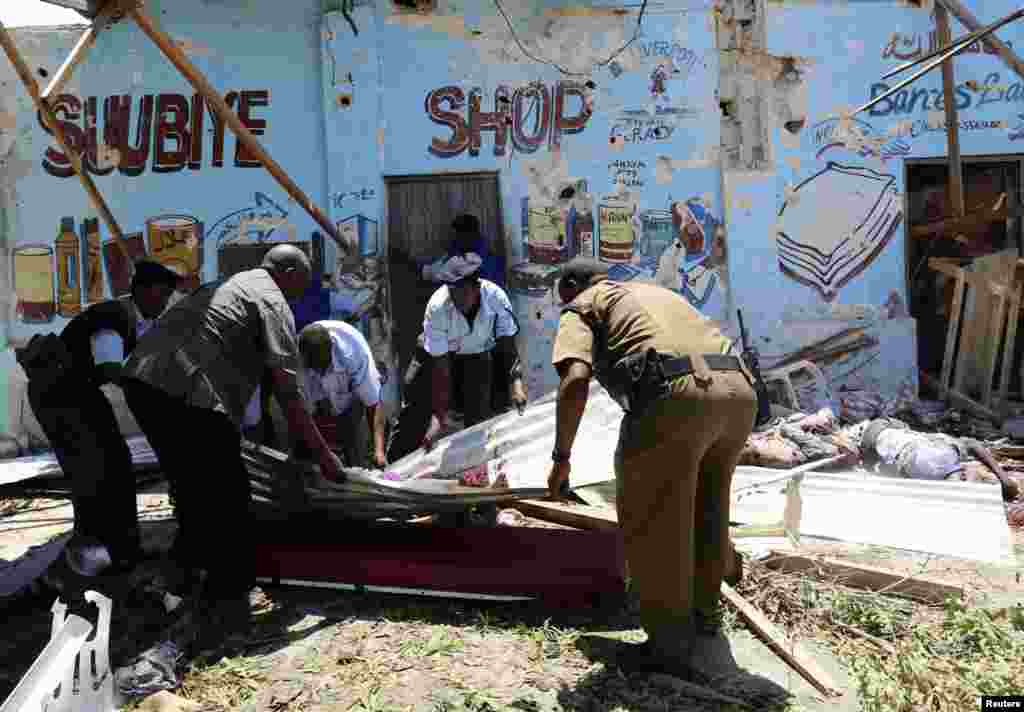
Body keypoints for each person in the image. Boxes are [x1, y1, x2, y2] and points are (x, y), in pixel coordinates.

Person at [120, 245, 343, 647]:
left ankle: (175, 583)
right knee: (232, 497)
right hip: (188, 391)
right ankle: (230, 602)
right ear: (288, 271)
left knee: (192, 491)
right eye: (304, 279)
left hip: (144, 382)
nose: (304, 289)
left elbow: (271, 390)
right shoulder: (271, 300)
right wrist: (325, 457)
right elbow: (289, 393)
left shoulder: (230, 285)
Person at [547, 257, 758, 679]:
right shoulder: (658, 292)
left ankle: (670, 649)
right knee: (707, 512)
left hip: (676, 397)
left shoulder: (584, 304)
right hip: (739, 395)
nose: (562, 305)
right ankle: (706, 620)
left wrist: (561, 459)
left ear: (570, 286)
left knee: (654, 521)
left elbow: (574, 380)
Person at [16, 260, 182, 575]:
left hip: (72, 394)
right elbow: (110, 368)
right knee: (97, 468)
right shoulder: (114, 317)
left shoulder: (126, 316)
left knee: (108, 464)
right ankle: (103, 548)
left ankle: (112, 544)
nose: (162, 305)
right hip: (63, 397)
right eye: (161, 296)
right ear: (144, 292)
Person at [391, 253, 527, 458]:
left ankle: (473, 467)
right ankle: (393, 466)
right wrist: (439, 416)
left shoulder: (496, 298)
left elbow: (508, 347)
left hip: (476, 355)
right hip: (435, 356)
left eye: (463, 292)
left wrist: (516, 385)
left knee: (478, 418)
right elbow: (441, 369)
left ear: (477, 287)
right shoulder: (437, 306)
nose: (458, 299)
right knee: (416, 407)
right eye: (453, 292)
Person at [295, 320, 387, 469]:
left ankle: (362, 456)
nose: (318, 371)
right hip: (327, 404)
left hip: (353, 396)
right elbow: (311, 411)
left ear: (330, 352)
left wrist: (379, 451)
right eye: (313, 367)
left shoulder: (353, 354)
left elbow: (374, 404)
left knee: (357, 442)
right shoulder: (300, 361)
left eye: (321, 366)